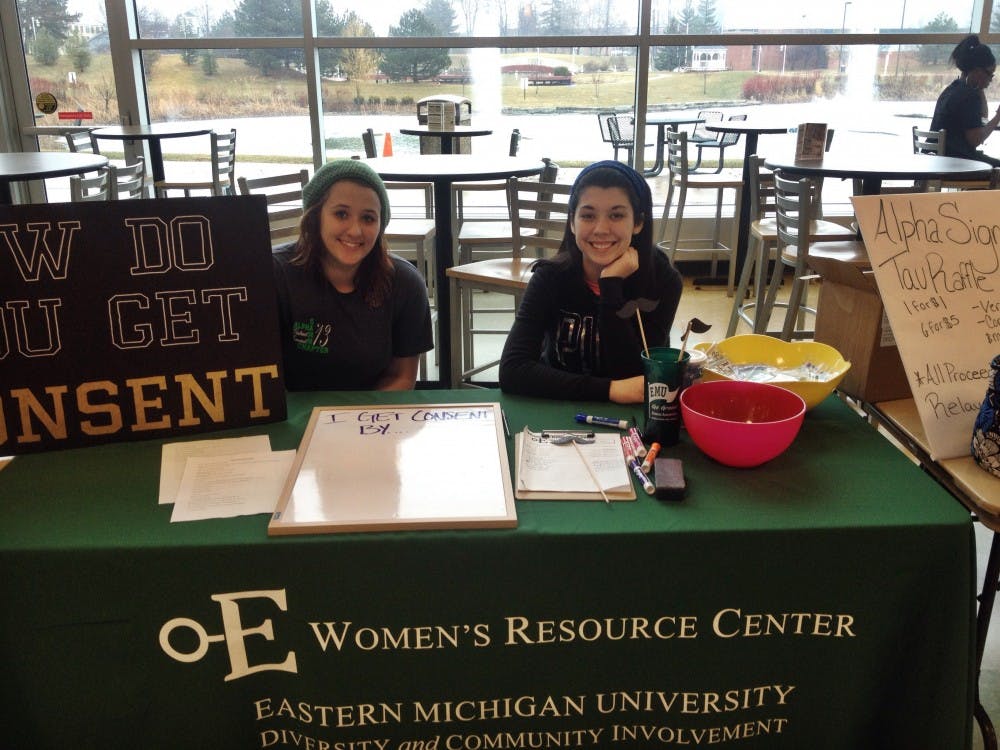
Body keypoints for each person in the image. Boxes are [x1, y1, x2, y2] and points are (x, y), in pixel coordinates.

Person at [499, 160, 683, 404]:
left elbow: (638, 378)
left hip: (631, 421)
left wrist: (611, 285)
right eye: (588, 215)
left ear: (638, 222)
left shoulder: (663, 281)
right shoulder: (549, 278)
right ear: (572, 223)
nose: (601, 228)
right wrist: (610, 390)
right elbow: (513, 371)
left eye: (616, 215)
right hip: (559, 410)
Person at [272, 159, 433, 391]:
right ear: (315, 216)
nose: (355, 230)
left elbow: (402, 377)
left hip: (372, 420)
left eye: (368, 218)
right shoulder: (275, 276)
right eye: (341, 214)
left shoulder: (406, 284)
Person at [931, 34, 1000, 167]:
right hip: (956, 162)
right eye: (990, 74)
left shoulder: (953, 89)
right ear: (978, 71)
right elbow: (976, 139)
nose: (990, 80)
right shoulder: (968, 97)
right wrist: (998, 117)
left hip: (939, 159)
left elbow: (982, 118)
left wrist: (980, 88)